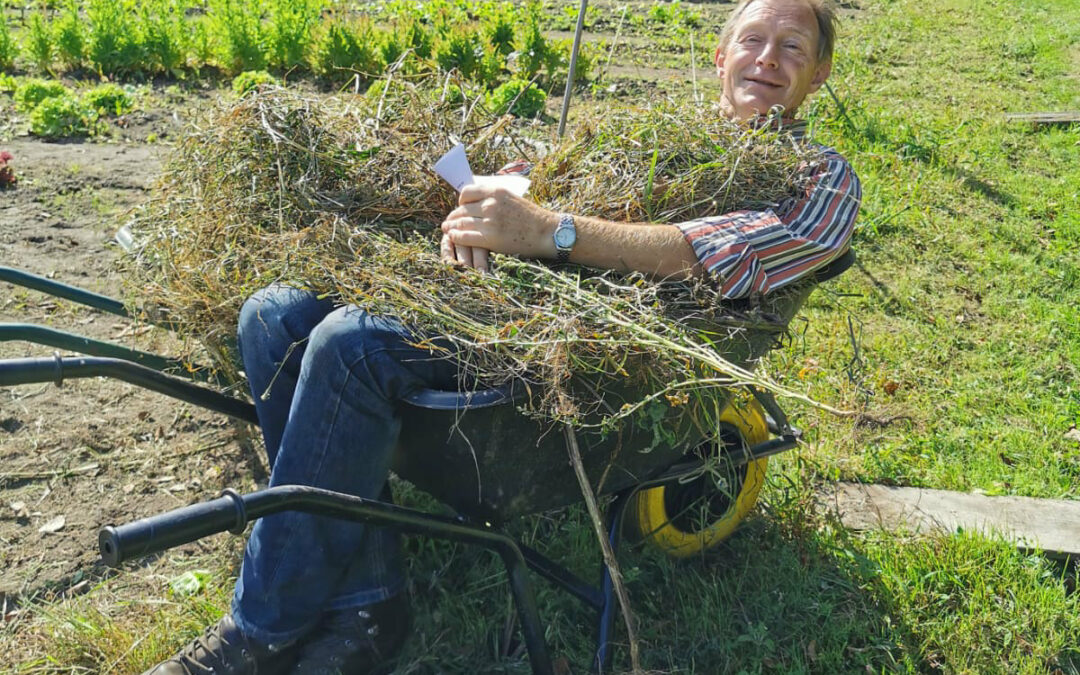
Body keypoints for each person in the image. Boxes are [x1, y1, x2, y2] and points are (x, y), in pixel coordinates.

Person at [144, 0, 860, 673]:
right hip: (503, 302)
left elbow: (718, 253)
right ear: (720, 55)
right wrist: (490, 205)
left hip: (578, 365)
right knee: (273, 312)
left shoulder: (820, 180)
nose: (768, 59)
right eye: (753, 40)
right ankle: (367, 608)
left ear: (819, 72)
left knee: (349, 343)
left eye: (792, 47)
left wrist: (552, 233)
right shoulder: (644, 140)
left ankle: (258, 631)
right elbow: (539, 182)